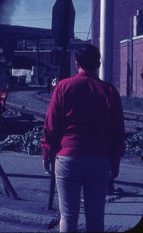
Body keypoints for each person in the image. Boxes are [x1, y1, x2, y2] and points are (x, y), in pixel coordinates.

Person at [41, 44, 124, 232]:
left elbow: (51, 124)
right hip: (99, 160)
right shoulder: (109, 91)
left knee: (68, 218)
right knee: (96, 220)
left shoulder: (63, 87)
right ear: (98, 63)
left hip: (68, 157)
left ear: (77, 63)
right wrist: (115, 162)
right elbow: (118, 132)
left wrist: (47, 151)